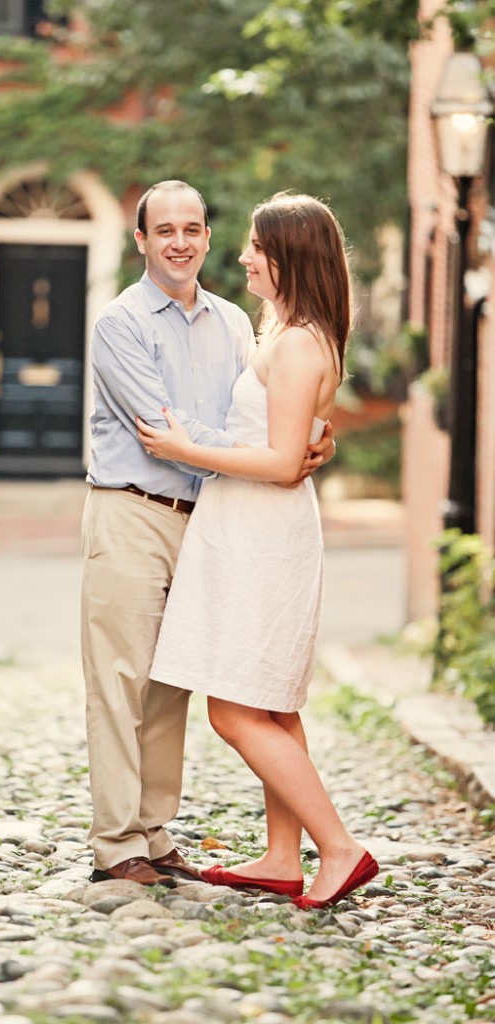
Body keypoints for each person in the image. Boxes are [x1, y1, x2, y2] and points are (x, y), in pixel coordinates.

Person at [81, 180, 335, 887]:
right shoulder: (120, 323)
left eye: (192, 228)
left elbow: (266, 408)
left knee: (174, 684)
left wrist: (311, 440)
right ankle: (117, 843)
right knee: (120, 681)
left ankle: (157, 834)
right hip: (133, 511)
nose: (180, 242)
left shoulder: (233, 322)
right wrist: (284, 449)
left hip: (213, 520)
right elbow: (165, 430)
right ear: (141, 240)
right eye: (164, 230)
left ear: (207, 238)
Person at [136, 192, 379, 908]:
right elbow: (296, 441)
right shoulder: (289, 332)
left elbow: (278, 462)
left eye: (256, 247)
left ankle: (338, 847)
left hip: (265, 537)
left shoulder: (300, 342)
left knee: (236, 711)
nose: (243, 256)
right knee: (273, 704)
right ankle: (281, 855)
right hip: (246, 530)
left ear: (289, 257)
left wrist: (186, 449)